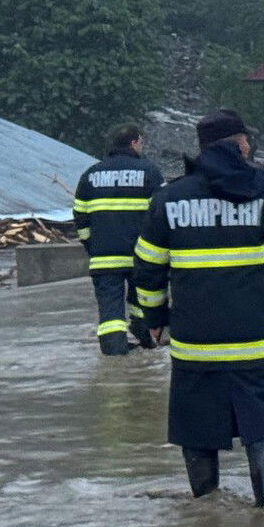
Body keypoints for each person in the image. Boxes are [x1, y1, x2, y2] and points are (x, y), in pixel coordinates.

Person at [133, 109, 264, 506]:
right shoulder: (262, 192)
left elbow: (147, 270)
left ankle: (205, 507)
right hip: (253, 342)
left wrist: (153, 320)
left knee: (196, 426)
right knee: (261, 424)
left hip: (194, 345)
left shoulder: (169, 199)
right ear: (241, 144)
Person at [73, 124, 164, 355]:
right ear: (133, 143)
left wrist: (92, 247)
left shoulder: (90, 175)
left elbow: (80, 218)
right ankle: (147, 345)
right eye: (141, 142)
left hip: (104, 259)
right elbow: (163, 214)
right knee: (142, 303)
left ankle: (115, 358)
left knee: (110, 314)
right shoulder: (149, 172)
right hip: (141, 257)